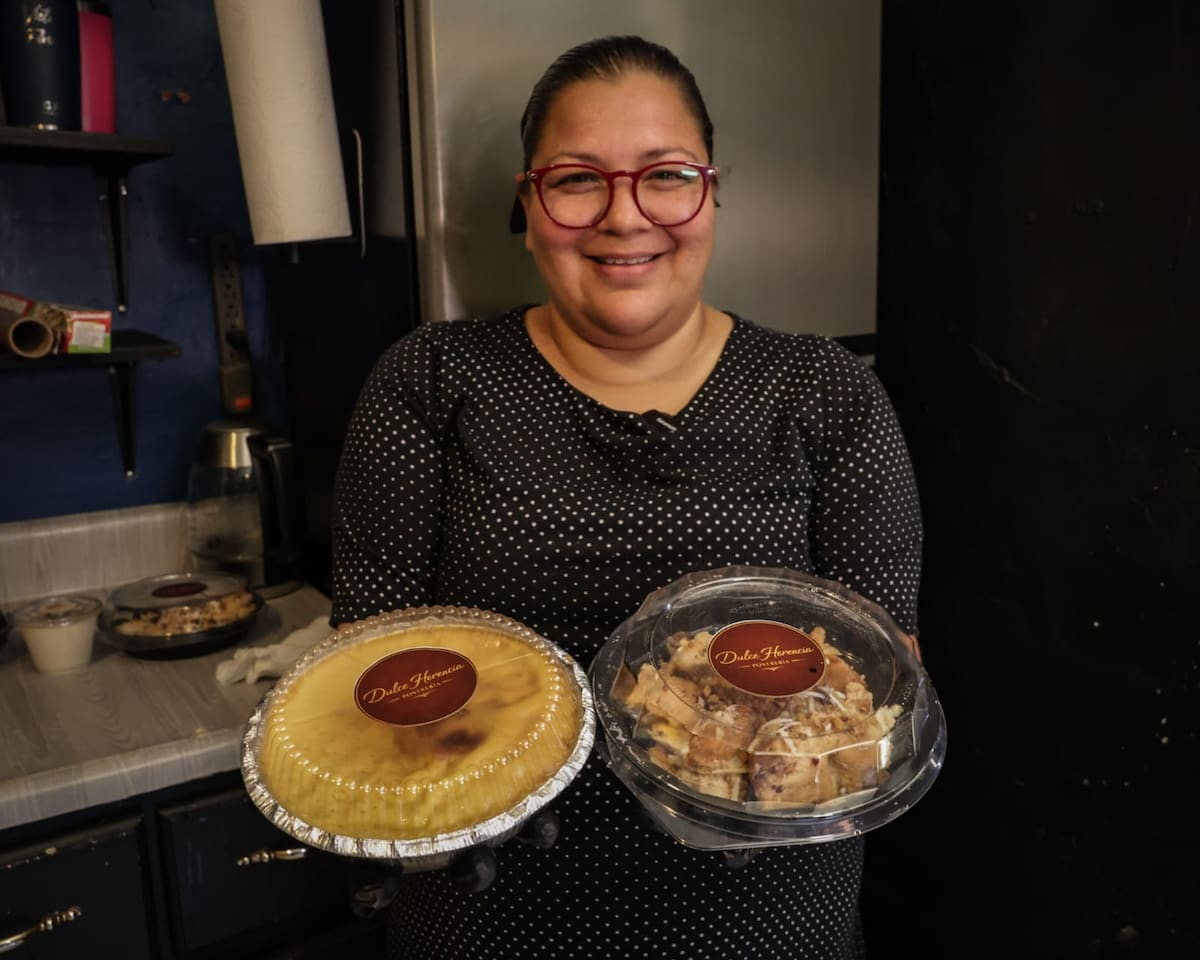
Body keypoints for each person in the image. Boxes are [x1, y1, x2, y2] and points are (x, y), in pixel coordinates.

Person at [331, 35, 922, 960]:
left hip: (768, 920)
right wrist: (420, 808)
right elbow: (366, 666)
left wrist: (778, 777)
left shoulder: (827, 392)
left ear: (710, 193)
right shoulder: (433, 382)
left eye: (666, 175)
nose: (624, 216)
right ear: (529, 203)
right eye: (577, 180)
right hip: (494, 919)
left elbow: (883, 676)